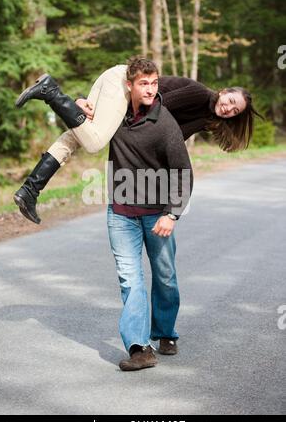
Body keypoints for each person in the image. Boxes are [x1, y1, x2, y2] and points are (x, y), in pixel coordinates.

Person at [13, 58, 261, 224]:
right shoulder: (198, 95)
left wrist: (81, 103)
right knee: (95, 142)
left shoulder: (206, 117)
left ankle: (29, 191)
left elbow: (168, 136)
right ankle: (51, 92)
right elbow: (153, 109)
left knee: (76, 136)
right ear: (224, 92)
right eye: (230, 101)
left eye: (235, 111)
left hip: (120, 82)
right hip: (124, 83)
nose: (229, 109)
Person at [107, 57, 192, 370]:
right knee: (130, 279)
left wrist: (172, 214)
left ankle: (166, 331)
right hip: (120, 212)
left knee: (165, 275)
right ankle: (139, 348)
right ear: (129, 85)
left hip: (157, 214)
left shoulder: (164, 122)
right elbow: (85, 122)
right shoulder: (114, 114)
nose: (150, 89)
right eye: (144, 83)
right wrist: (80, 103)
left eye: (154, 83)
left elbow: (183, 171)